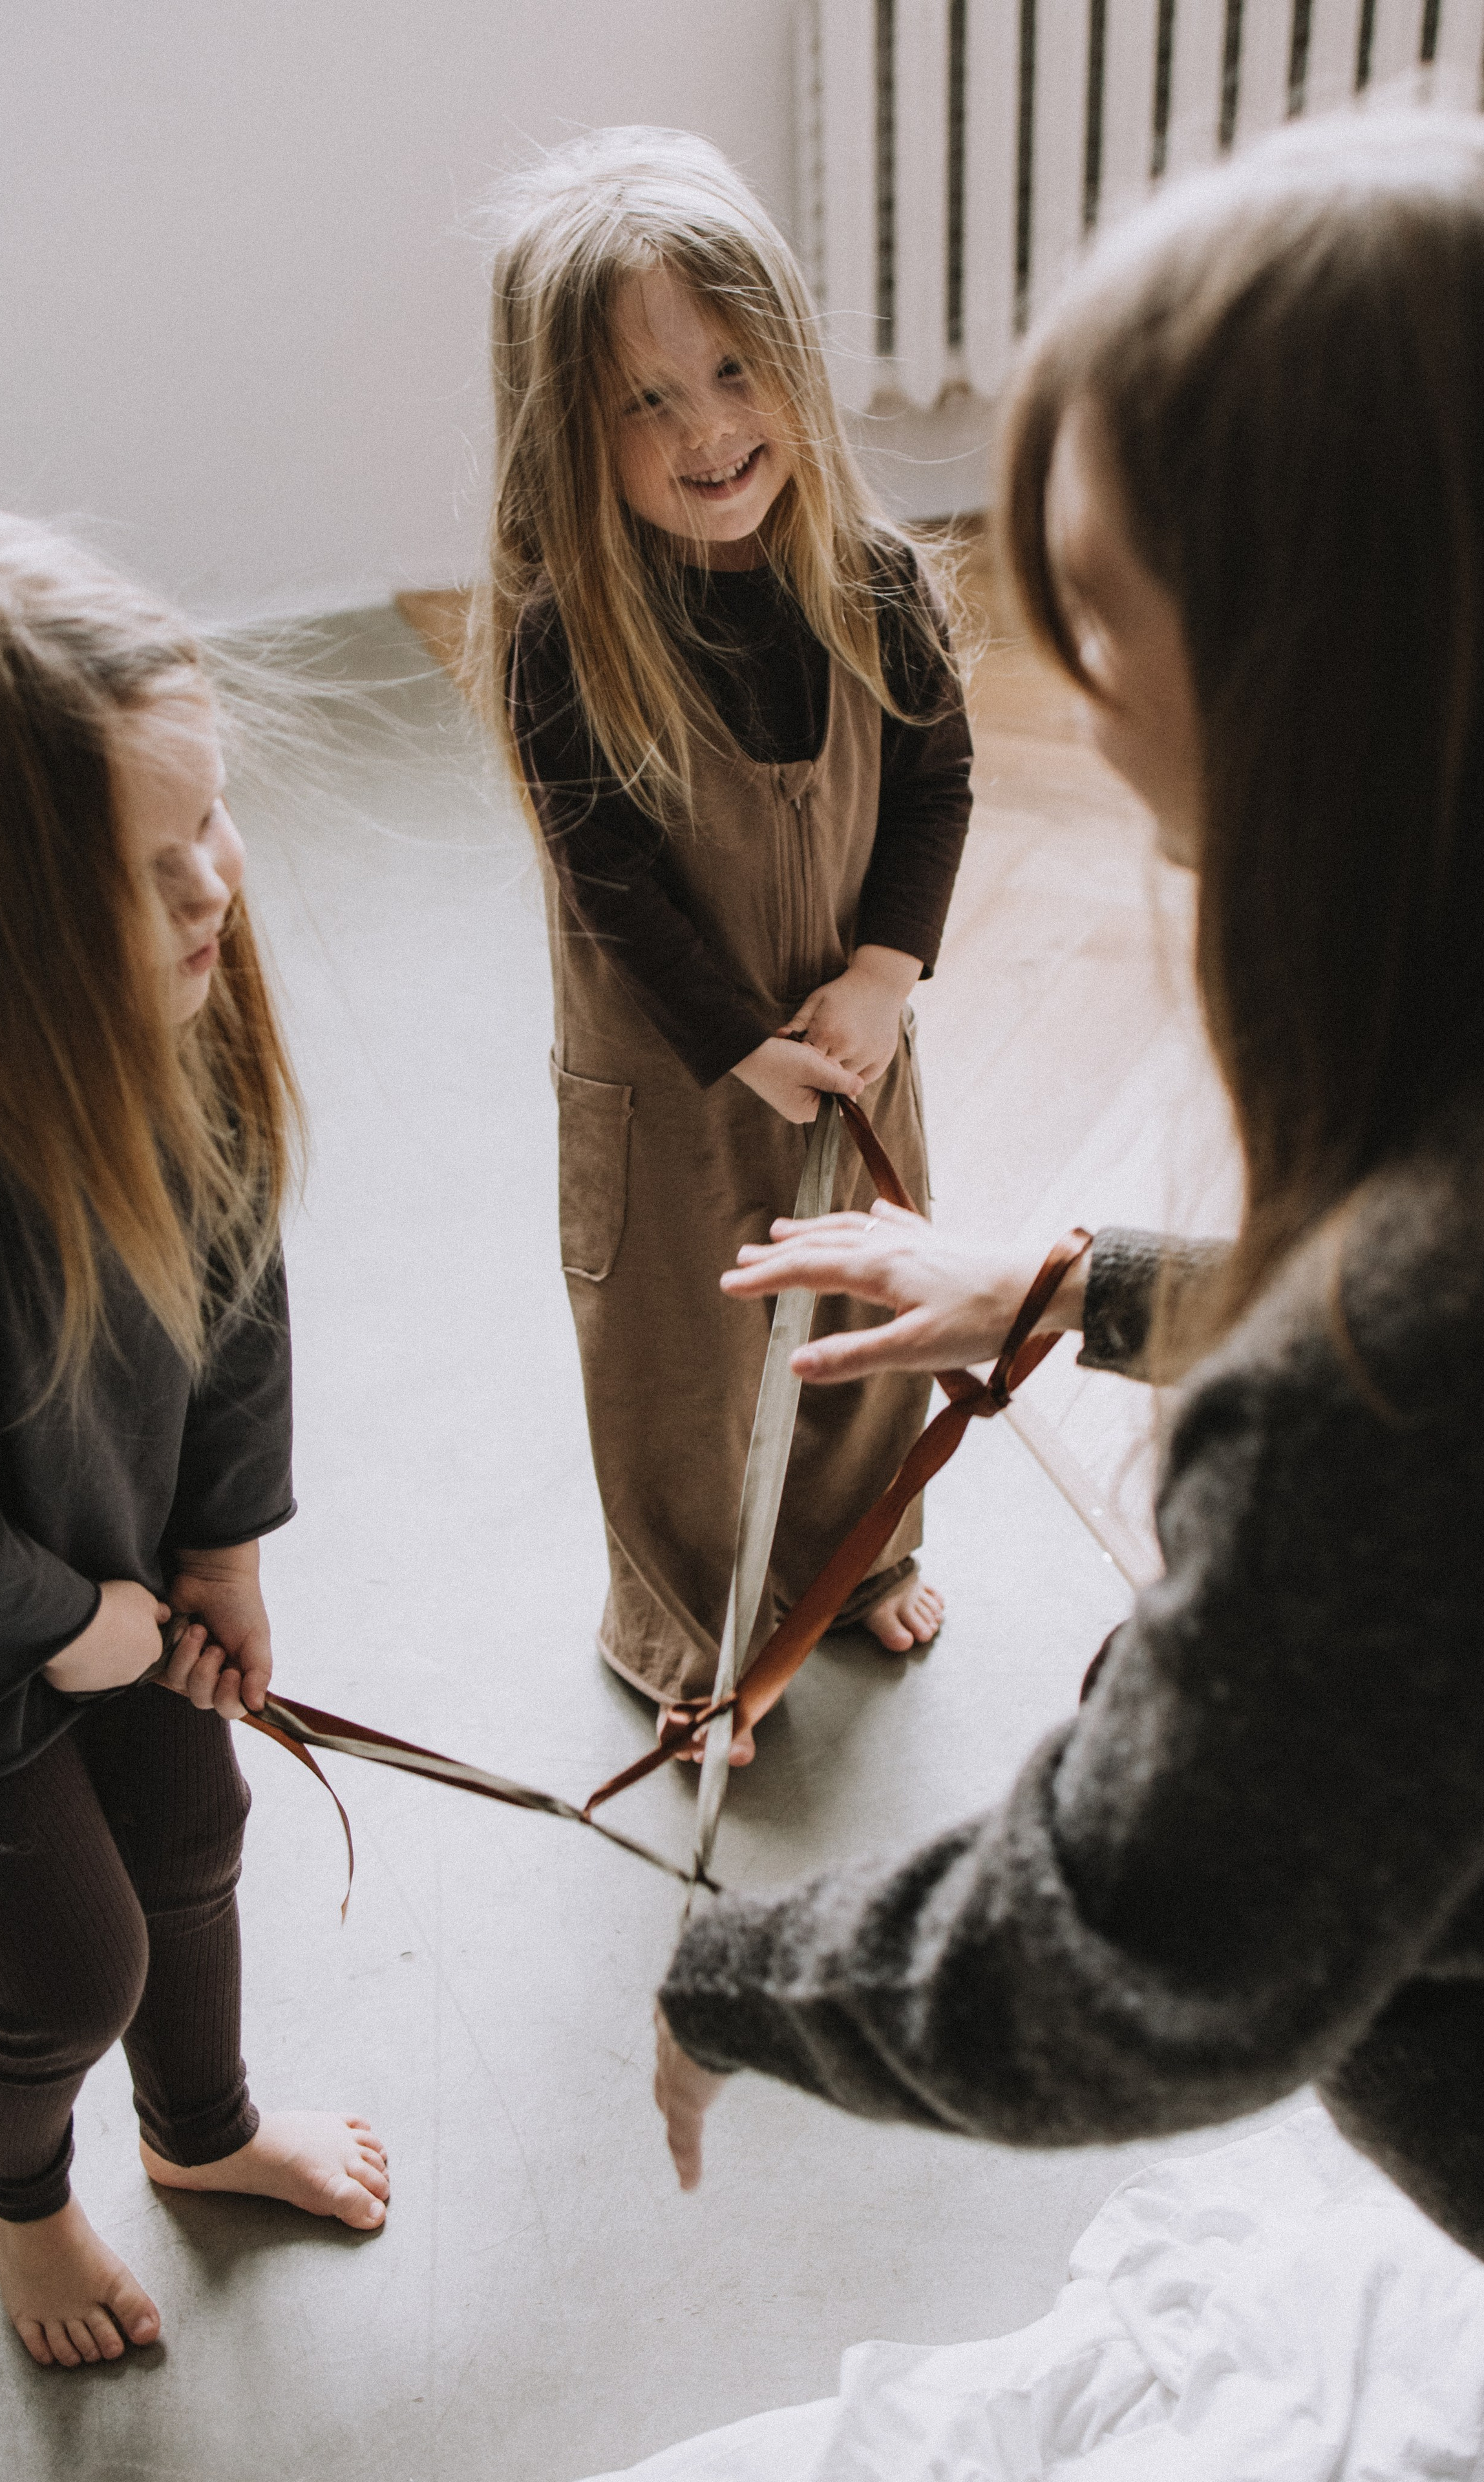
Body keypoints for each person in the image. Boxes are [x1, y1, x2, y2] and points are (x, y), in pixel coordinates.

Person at [648, 110, 1484, 2262]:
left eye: (1098, 612)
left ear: (1328, 658)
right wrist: (1092, 1284)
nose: (1071, 695)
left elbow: (1133, 1951)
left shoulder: (1374, 1400)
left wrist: (738, 1978)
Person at [0, 504, 390, 2370]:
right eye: (144, 869)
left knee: (194, 1835)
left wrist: (218, 1553)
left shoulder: (186, 1014)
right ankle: (24, 2207)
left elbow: (240, 1313)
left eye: (208, 824)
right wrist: (83, 1628)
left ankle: (203, 2134)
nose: (212, 887)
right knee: (69, 1962)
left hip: (131, 1562)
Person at [476, 128, 973, 1760]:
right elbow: (607, 884)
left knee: (864, 1311)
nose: (706, 429)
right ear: (571, 434)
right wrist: (737, 1045)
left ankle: (855, 1554)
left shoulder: (876, 583)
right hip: (674, 1076)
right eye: (644, 401)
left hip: (845, 1042)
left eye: (731, 370)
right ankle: (683, 1618)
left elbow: (934, 779)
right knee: (679, 1361)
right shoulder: (568, 641)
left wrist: (883, 976)